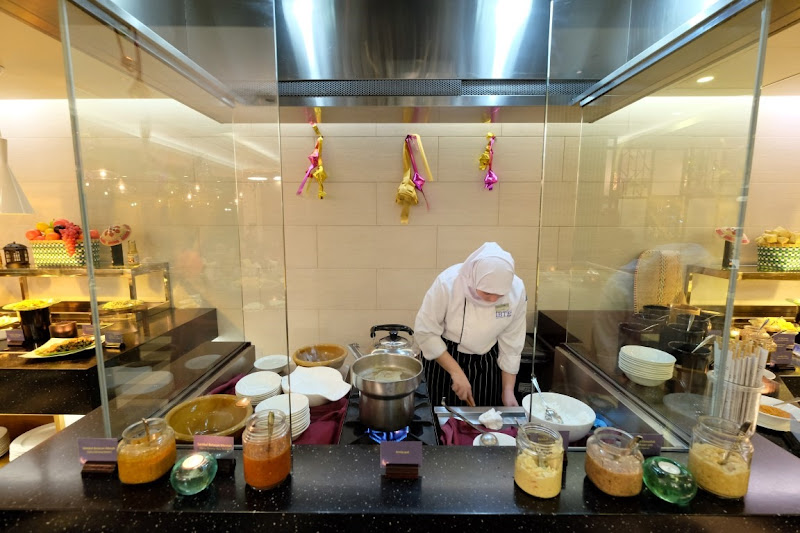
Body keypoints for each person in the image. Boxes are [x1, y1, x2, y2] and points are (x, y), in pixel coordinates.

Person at [414, 242, 527, 407]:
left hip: (486, 361)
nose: (493, 299)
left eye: (500, 295)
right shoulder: (448, 283)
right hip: (444, 357)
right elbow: (426, 331)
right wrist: (456, 372)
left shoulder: (517, 290)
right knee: (442, 415)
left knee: (485, 417)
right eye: (487, 293)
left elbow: (512, 343)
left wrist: (508, 390)